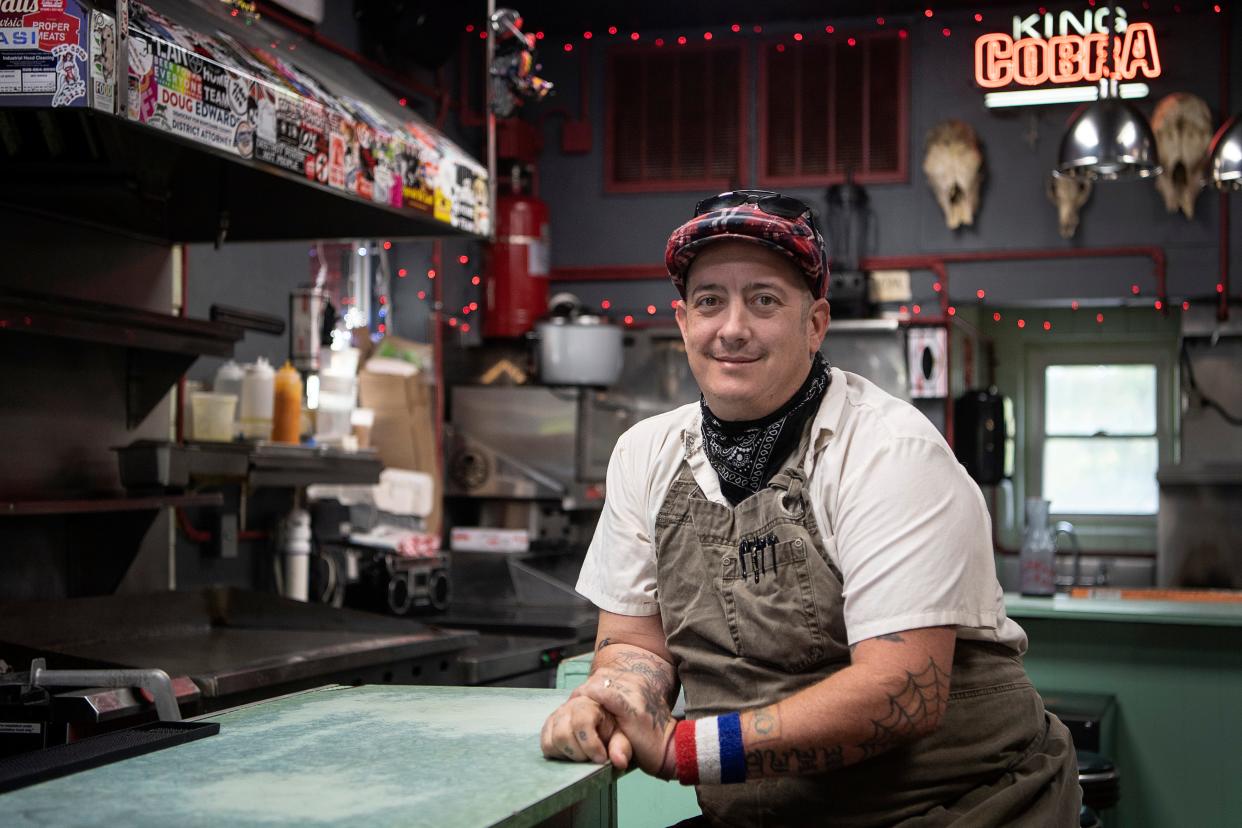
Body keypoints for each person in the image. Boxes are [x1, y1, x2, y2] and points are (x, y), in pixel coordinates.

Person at [540, 190, 1081, 827]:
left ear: (815, 323)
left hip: (962, 808)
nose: (733, 327)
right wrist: (617, 697)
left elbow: (902, 692)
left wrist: (684, 747)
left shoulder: (888, 451)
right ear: (684, 322)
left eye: (764, 300)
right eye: (711, 300)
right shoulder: (646, 455)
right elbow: (634, 644)